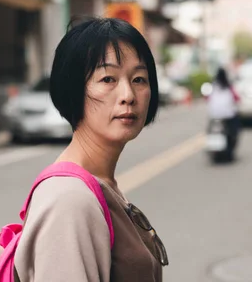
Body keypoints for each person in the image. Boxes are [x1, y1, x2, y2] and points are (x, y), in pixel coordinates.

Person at [14, 18, 167, 281]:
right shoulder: (70, 201)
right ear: (73, 90)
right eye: (108, 78)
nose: (128, 94)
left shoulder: (99, 184)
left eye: (139, 79)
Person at [206, 67, 240, 151]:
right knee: (235, 129)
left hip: (214, 115)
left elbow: (207, 98)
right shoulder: (229, 87)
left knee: (209, 128)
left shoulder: (212, 86)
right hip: (228, 115)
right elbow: (236, 98)